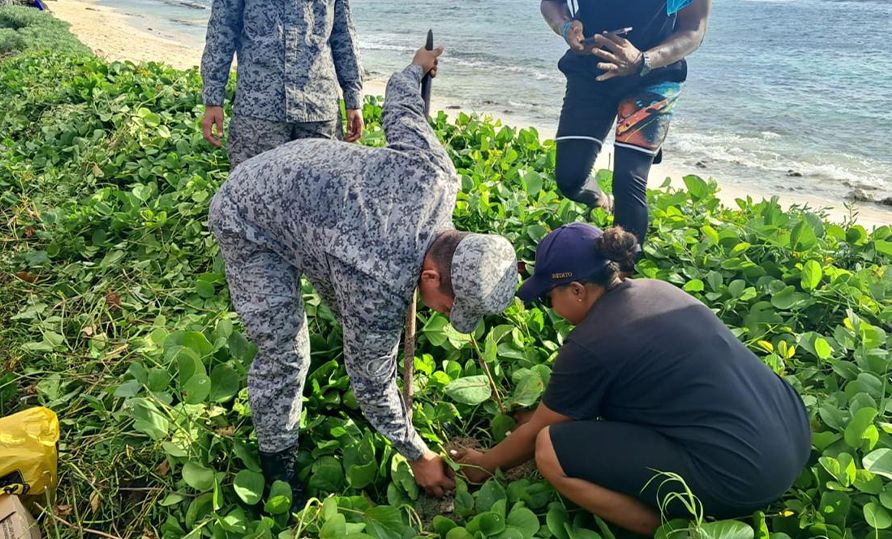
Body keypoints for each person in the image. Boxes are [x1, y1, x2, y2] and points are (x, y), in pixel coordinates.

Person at [208, 47, 518, 510]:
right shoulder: (378, 284)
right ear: (430, 275)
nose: (449, 315)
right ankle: (278, 463)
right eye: (452, 306)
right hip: (249, 213)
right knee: (286, 350)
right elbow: (371, 385)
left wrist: (417, 68)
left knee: (342, 301)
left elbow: (399, 101)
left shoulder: (438, 176)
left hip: (307, 181)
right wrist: (418, 454)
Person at [454, 223, 811, 535]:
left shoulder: (591, 342)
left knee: (549, 449)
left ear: (577, 290)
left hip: (741, 480)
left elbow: (539, 433)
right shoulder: (659, 289)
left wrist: (481, 465)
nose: (553, 309)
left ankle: (667, 530)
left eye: (550, 298)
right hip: (793, 437)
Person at [540, 0, 712, 254]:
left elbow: (694, 29)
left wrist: (643, 60)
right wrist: (565, 27)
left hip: (653, 76)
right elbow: (552, 3)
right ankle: (599, 200)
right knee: (570, 179)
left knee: (628, 182)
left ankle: (622, 274)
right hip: (590, 72)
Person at [200, 0, 365, 169]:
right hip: (259, 112)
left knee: (321, 189)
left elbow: (344, 37)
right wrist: (213, 100)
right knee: (253, 190)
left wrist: (354, 99)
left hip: (318, 110)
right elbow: (221, 35)